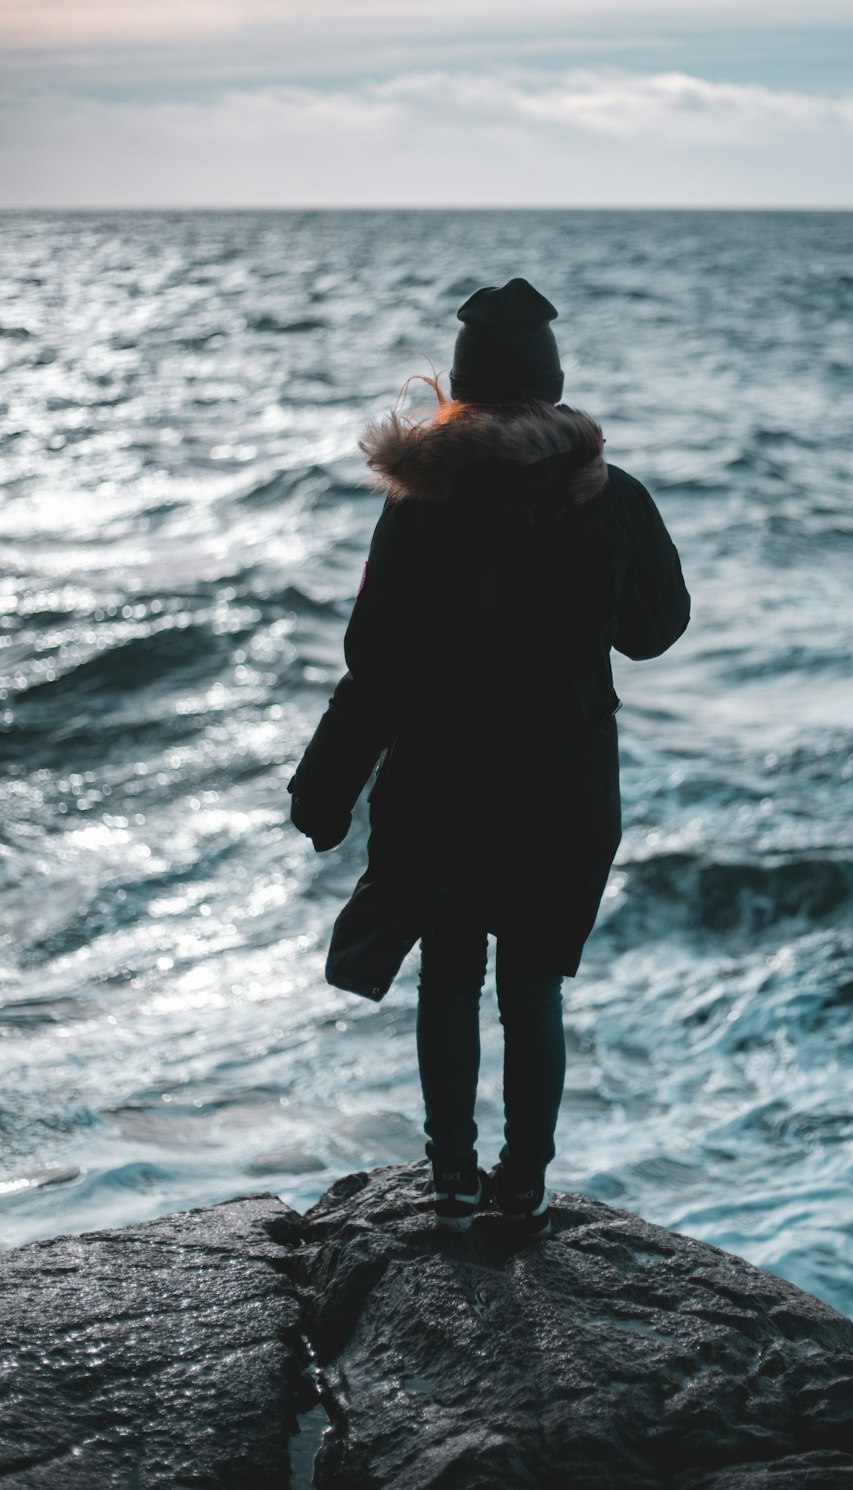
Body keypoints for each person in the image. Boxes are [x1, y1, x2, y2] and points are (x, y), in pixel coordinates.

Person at [287, 278, 690, 1240]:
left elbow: (374, 668)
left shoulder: (422, 503)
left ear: (459, 389)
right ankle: (526, 1188)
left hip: (443, 785)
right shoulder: (613, 496)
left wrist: (326, 789)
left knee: (451, 976)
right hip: (565, 790)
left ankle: (453, 1178)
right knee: (534, 986)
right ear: (553, 388)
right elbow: (655, 631)